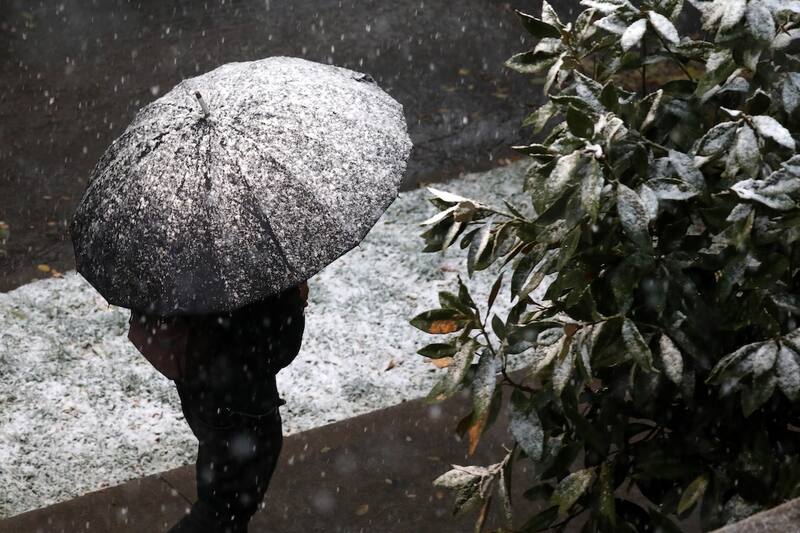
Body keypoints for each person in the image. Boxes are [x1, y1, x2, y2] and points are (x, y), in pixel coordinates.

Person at [127, 281, 309, 533]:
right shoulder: (254, 269)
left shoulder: (186, 259)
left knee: (220, 475)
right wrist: (295, 302)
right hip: (241, 397)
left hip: (197, 381)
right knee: (225, 507)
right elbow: (278, 349)